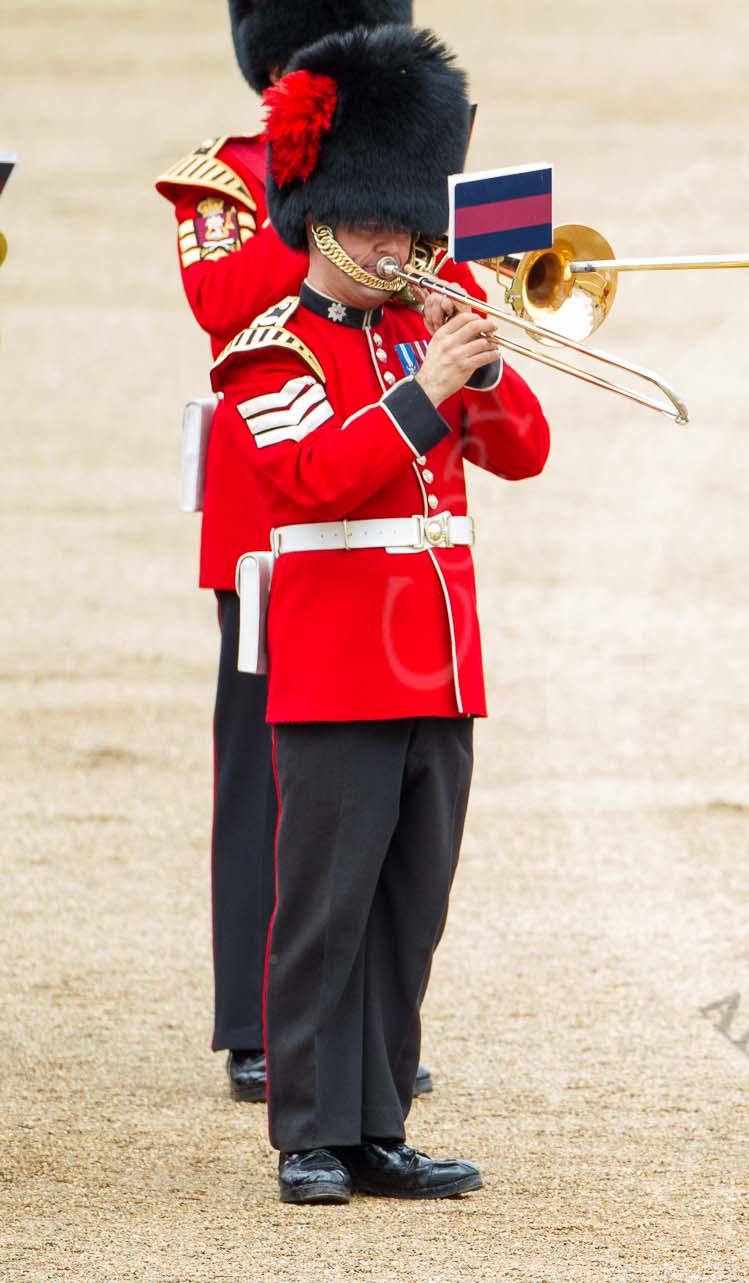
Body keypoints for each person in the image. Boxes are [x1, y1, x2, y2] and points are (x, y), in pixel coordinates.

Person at [210, 23, 550, 1205]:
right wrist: (430, 386)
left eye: (407, 226)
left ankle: (377, 1123)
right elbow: (310, 478)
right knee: (324, 910)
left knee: (409, 910)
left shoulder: (427, 327)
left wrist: (490, 369)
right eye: (371, 226)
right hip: (336, 664)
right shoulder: (267, 354)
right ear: (316, 220)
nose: (394, 246)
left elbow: (526, 458)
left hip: (439, 665)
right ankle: (308, 1128)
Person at [154, 0, 427, 1108]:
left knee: (382, 792)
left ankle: (356, 1030)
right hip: (274, 504)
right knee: (271, 779)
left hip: (386, 509)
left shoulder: (404, 174)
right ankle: (258, 1022)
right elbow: (218, 303)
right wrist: (311, 204)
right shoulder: (223, 179)